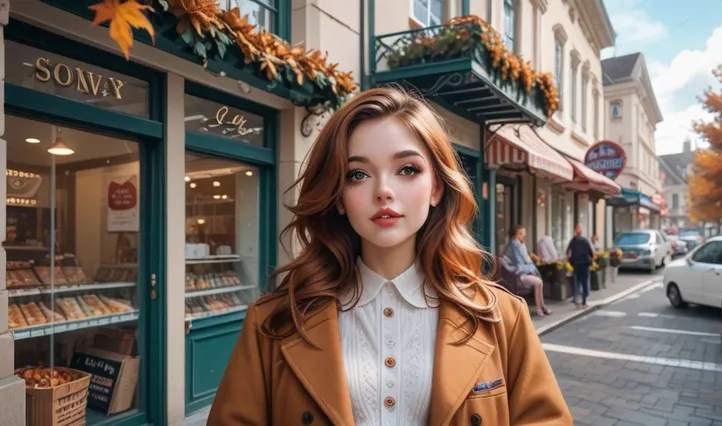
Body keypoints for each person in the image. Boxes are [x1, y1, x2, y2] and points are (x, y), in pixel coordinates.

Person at [206, 87, 571, 425]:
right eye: (358, 174)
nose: (384, 191)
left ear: (436, 188)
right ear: (337, 197)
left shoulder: (502, 318)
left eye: (407, 169)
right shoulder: (273, 322)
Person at [505, 225, 553, 317]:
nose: (524, 236)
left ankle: (541, 306)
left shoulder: (518, 245)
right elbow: (520, 264)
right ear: (517, 234)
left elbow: (525, 260)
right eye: (523, 234)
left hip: (521, 272)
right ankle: (540, 308)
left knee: (539, 282)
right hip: (519, 274)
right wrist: (531, 267)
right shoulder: (516, 246)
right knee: (539, 282)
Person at [567, 224, 594, 308]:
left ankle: (576, 299)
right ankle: (584, 301)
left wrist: (570, 260)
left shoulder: (573, 241)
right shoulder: (585, 241)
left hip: (576, 265)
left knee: (577, 283)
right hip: (585, 265)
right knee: (585, 282)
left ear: (575, 232)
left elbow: (568, 251)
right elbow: (591, 253)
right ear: (581, 232)